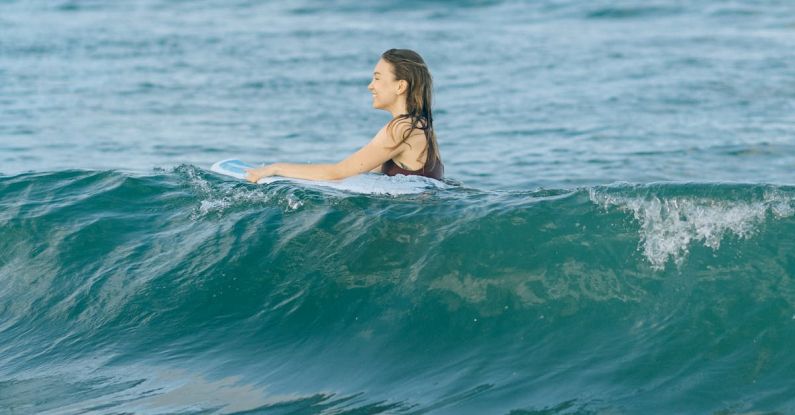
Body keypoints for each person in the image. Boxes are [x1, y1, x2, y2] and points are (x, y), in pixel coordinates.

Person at [245, 49, 444, 183]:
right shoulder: (421, 125)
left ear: (400, 86)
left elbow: (338, 172)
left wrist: (275, 168)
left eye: (377, 78)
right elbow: (360, 174)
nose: (370, 85)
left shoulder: (402, 129)